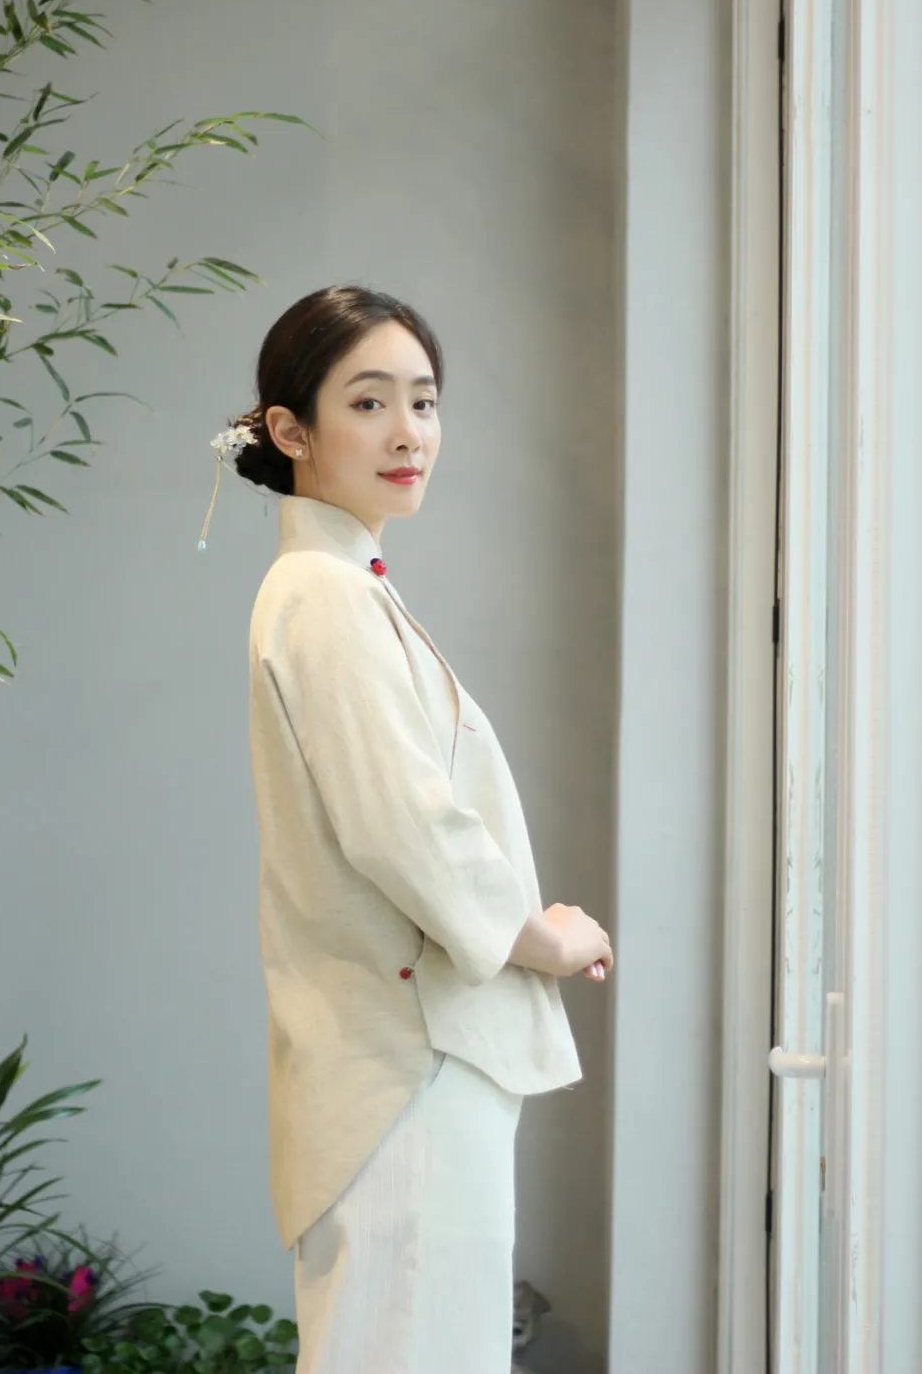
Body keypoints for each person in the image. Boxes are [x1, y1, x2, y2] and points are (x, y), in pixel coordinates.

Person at [206, 284, 613, 1374]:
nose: (407, 433)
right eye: (369, 401)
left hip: (400, 1060)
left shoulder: (336, 585)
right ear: (290, 430)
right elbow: (406, 826)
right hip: (407, 1062)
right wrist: (544, 937)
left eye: (424, 402)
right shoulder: (325, 595)